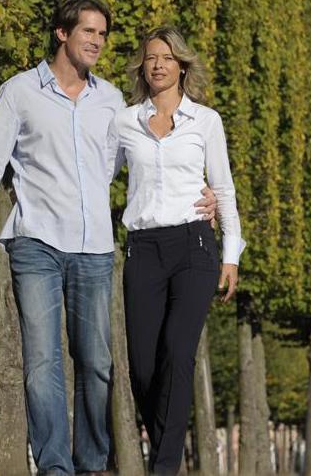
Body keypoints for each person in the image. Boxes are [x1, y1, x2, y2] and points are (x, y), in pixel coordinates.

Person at [0, 0, 216, 475]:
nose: (97, 42)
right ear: (62, 33)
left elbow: (147, 162)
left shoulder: (113, 101)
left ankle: (92, 462)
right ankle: (56, 467)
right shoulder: (19, 92)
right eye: (88, 32)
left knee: (97, 365)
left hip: (96, 246)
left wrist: (202, 195)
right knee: (42, 364)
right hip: (35, 241)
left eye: (102, 34)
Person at [106, 26, 245, 475]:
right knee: (143, 368)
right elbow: (100, 177)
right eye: (150, 58)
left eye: (167, 57)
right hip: (143, 249)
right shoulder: (124, 122)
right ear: (142, 67)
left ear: (182, 65)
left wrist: (231, 255)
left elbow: (222, 189)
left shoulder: (206, 121)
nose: (158, 64)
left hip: (195, 245)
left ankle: (163, 468)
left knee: (178, 352)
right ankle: (167, 446)